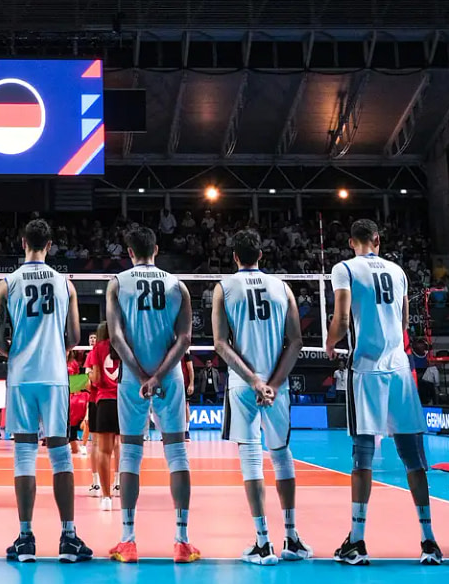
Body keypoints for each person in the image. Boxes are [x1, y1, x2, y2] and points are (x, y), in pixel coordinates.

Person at [329, 218, 440, 566]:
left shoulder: (344, 268)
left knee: (362, 459)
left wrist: (331, 342)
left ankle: (357, 540)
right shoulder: (398, 271)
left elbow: (343, 318)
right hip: (399, 369)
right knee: (414, 459)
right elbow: (405, 322)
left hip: (366, 369)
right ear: (378, 239)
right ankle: (428, 541)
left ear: (352, 242)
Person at [0, 218, 90, 563]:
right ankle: (68, 537)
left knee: (23, 455)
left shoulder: (7, 283)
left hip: (21, 374)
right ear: (50, 245)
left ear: (22, 243)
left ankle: (25, 537)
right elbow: (75, 337)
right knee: (61, 454)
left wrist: (15, 351)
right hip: (53, 374)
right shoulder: (65, 284)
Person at [213, 227, 307, 565]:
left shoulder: (224, 288)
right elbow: (295, 341)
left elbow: (221, 344)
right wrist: (273, 384)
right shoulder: (283, 288)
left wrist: (254, 381)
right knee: (282, 456)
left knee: (251, 459)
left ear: (235, 257)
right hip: (276, 385)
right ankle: (292, 538)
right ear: (261, 256)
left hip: (243, 385)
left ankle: (263, 542)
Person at [105, 225, 196, 564]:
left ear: (129, 252)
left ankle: (128, 540)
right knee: (178, 456)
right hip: (169, 375)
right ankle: (182, 541)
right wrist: (158, 375)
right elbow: (185, 340)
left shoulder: (117, 283)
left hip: (132, 377)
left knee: (129, 455)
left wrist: (143, 375)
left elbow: (115, 337)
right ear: (155, 249)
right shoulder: (178, 285)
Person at [85, 323, 119, 510]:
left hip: (105, 400)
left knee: (103, 450)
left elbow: (96, 378)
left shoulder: (98, 349)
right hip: (126, 401)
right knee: (125, 447)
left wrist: (89, 376)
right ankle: (125, 489)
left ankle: (106, 497)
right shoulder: (126, 343)